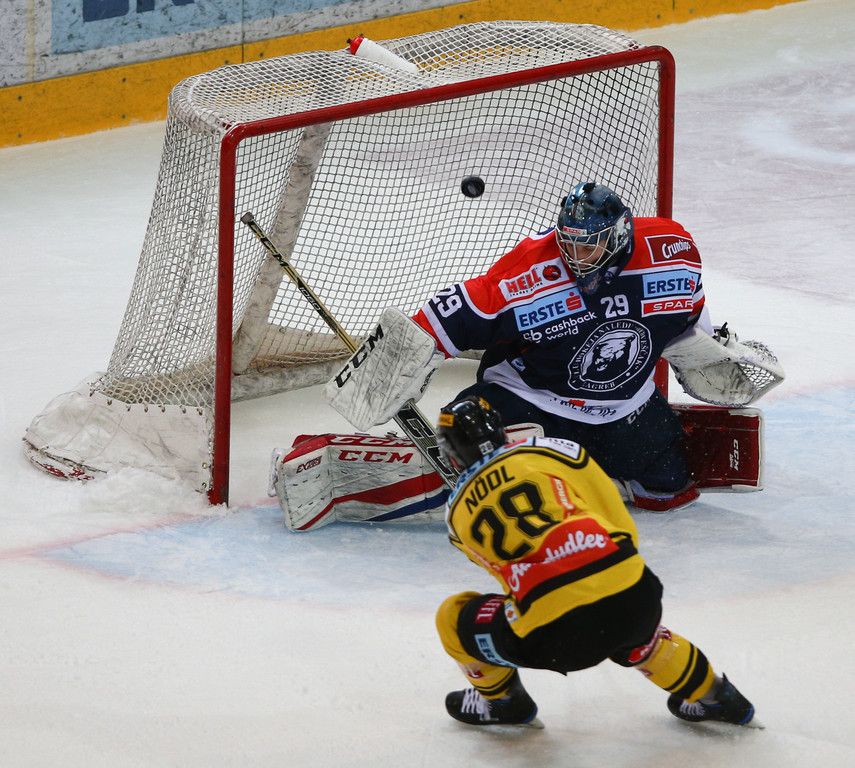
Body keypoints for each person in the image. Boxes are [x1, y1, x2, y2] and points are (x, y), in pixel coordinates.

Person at [434, 395, 756, 727]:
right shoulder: (554, 450)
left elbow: (507, 575)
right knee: (633, 630)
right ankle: (718, 697)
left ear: (453, 457)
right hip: (636, 598)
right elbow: (614, 518)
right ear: (502, 431)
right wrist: (613, 577)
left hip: (556, 640)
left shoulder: (456, 514)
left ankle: (504, 702)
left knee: (452, 617)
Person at [413, 181, 710, 511]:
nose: (575, 258)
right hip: (533, 398)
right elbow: (454, 314)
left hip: (623, 408)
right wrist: (407, 350)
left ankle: (573, 468)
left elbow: (691, 317)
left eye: (587, 247)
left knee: (668, 485)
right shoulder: (532, 269)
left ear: (619, 236)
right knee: (465, 431)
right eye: (568, 244)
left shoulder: (671, 254)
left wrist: (707, 352)